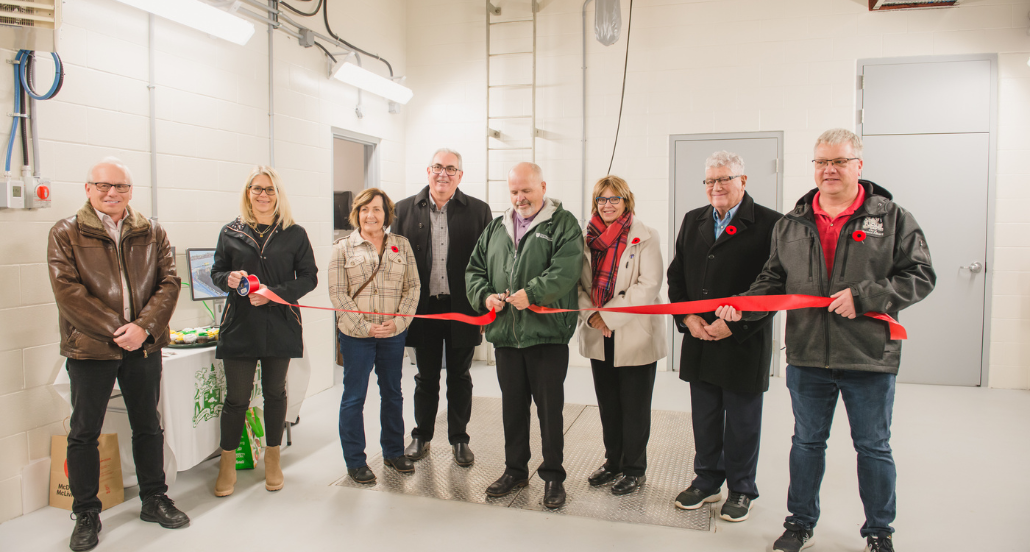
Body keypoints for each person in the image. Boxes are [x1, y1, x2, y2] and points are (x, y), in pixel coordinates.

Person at [715, 129, 935, 552]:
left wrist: (865, 297)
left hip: (868, 355)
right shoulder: (793, 222)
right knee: (807, 443)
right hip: (808, 353)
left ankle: (878, 532)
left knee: (873, 447)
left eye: (838, 161)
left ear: (859, 165)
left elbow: (920, 275)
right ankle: (799, 523)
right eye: (821, 162)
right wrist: (742, 306)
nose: (829, 169)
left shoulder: (891, 218)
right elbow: (773, 280)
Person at [48, 157, 189, 551]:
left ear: (131, 190)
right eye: (103, 186)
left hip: (143, 347)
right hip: (91, 349)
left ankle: (154, 498)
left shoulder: (151, 231)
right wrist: (118, 330)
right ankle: (87, 512)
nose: (112, 193)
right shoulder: (66, 232)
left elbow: (169, 282)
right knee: (84, 432)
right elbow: (68, 293)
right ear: (88, 189)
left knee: (148, 425)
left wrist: (143, 328)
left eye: (121, 187)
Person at [666, 151, 781, 522]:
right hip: (700, 336)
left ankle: (742, 489)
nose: (716, 187)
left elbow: (776, 285)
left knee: (743, 420)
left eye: (724, 179)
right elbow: (677, 276)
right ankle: (707, 481)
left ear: (743, 181)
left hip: (744, 339)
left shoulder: (770, 224)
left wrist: (737, 321)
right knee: (705, 415)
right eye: (710, 181)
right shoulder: (693, 220)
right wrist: (688, 319)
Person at [466, 162, 583, 509]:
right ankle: (515, 470)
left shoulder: (563, 224)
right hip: (506, 336)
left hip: (546, 336)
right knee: (513, 409)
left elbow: (566, 269)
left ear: (542, 187)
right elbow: (474, 269)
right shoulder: (496, 228)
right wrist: (484, 295)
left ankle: (552, 477)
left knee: (550, 411)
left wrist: (531, 293)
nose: (520, 198)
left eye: (526, 190)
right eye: (514, 191)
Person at [209, 165, 318, 497]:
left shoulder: (294, 233)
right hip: (240, 326)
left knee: (275, 394)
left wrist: (274, 293)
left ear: (278, 195)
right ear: (248, 193)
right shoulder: (231, 231)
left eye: (269, 190)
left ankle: (273, 459)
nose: (263, 195)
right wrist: (225, 279)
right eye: (257, 189)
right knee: (236, 399)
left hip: (279, 325)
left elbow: (308, 277)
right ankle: (227, 464)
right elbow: (216, 271)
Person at [393, 148, 492, 466]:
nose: (443, 173)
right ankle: (421, 435)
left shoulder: (478, 210)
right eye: (438, 167)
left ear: (460, 176)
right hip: (423, 309)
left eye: (451, 169)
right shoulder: (404, 210)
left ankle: (459, 439)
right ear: (428, 170)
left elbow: (488, 262)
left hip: (463, 308)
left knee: (460, 376)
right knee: (426, 376)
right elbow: (394, 262)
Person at [576, 175, 666, 496]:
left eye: (615, 199)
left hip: (634, 333)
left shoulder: (647, 236)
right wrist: (593, 317)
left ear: (626, 202)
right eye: (602, 199)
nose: (608, 205)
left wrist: (609, 316)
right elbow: (580, 286)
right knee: (609, 405)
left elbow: (648, 286)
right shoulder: (586, 240)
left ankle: (634, 469)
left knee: (635, 406)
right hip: (600, 334)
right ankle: (613, 462)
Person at [329, 188, 420, 484]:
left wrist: (398, 324)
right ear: (357, 213)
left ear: (387, 214)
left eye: (378, 209)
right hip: (357, 336)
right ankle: (355, 461)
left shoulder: (401, 246)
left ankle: (394, 452)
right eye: (365, 209)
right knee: (354, 398)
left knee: (392, 393)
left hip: (393, 334)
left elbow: (413, 288)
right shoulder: (342, 247)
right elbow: (337, 294)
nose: (371, 215)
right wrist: (364, 327)